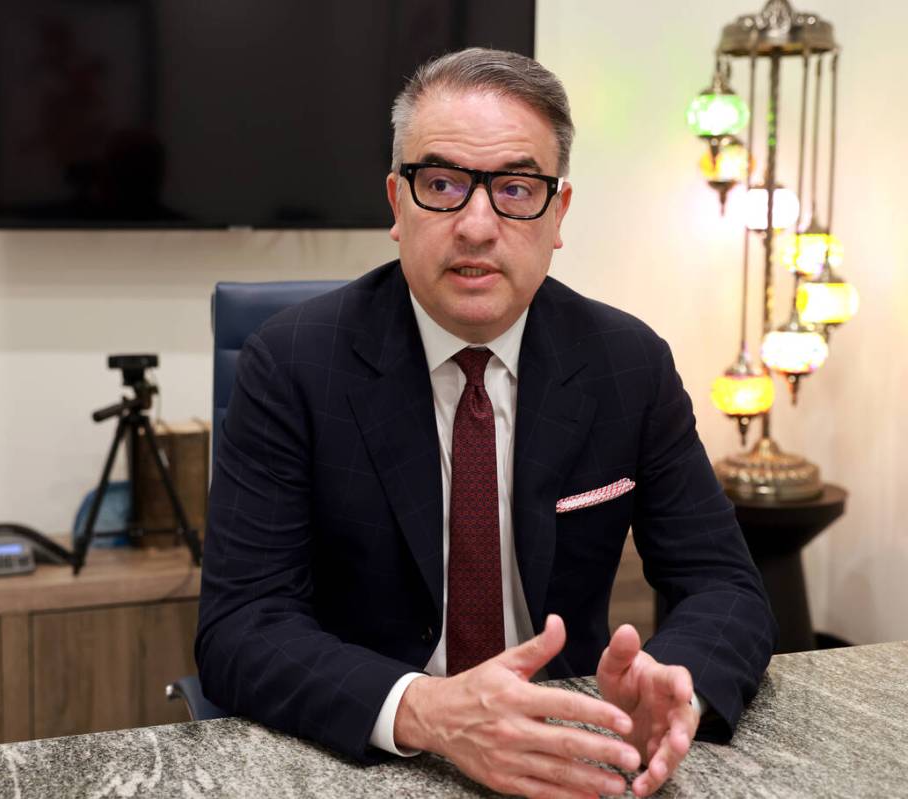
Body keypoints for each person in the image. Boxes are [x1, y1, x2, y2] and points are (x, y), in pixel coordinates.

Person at [196, 47, 777, 798]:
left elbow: (725, 586)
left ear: (558, 213)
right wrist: (430, 710)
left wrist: (678, 687)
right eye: (441, 184)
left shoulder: (626, 363)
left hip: (575, 745)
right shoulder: (294, 362)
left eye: (514, 188)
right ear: (396, 205)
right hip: (372, 757)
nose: (477, 225)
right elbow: (241, 626)